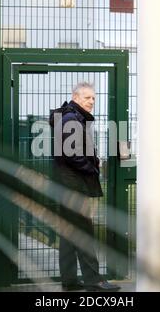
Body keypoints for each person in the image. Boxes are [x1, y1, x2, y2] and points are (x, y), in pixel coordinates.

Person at [49, 82, 121, 292]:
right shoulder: (71, 119)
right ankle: (94, 281)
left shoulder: (71, 117)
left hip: (67, 183)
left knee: (69, 232)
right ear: (76, 97)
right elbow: (71, 154)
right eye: (88, 97)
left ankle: (69, 281)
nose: (92, 102)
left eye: (93, 98)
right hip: (73, 185)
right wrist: (92, 167)